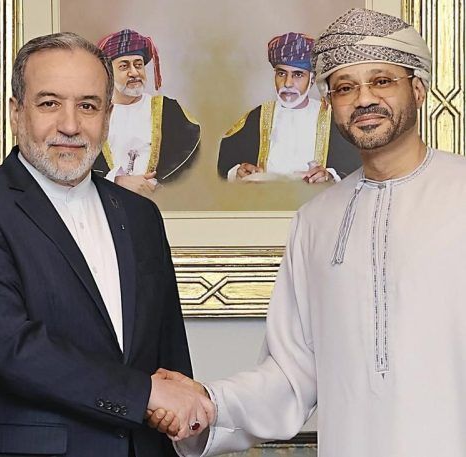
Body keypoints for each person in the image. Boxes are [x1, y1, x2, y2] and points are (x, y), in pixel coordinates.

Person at [149, 8, 466, 457]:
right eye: (345, 87)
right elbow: (291, 376)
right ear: (330, 103)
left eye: (381, 81)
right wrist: (208, 402)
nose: (364, 99)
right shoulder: (316, 221)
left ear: (417, 89)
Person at [0, 32, 212, 457]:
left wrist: (182, 411)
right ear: (15, 112)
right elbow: (10, 348)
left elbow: (169, 354)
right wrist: (145, 395)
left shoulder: (141, 216)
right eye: (49, 103)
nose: (70, 125)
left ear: (108, 116)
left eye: (88, 105)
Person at [217, 32, 360, 183]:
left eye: (298, 75)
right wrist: (238, 171)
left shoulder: (333, 118)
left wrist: (330, 176)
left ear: (312, 80)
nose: (288, 83)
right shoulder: (258, 116)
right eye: (281, 73)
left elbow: (355, 167)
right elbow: (226, 163)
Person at [93, 29, 201, 197]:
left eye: (138, 65)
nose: (134, 73)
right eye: (124, 66)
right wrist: (116, 180)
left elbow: (191, 154)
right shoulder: (92, 114)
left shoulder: (169, 110)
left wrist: (156, 185)